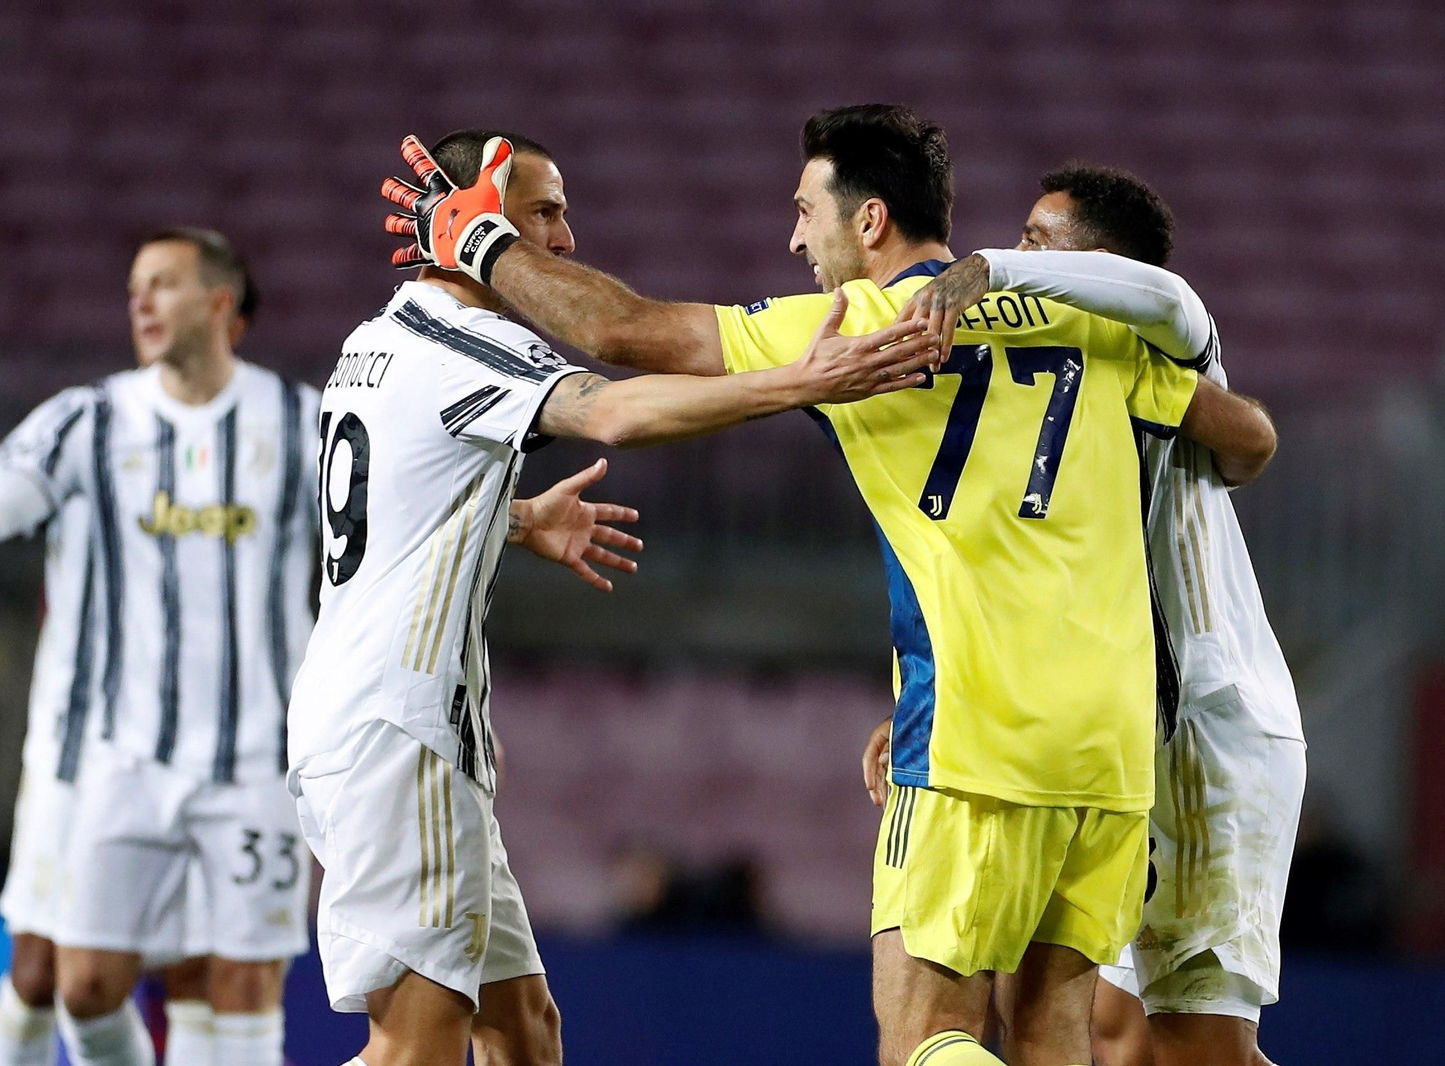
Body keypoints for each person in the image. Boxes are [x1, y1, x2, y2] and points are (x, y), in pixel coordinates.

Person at [379, 106, 1277, 1066]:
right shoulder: (1089, 326)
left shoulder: (857, 325)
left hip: (979, 733)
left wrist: (473, 240)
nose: (793, 236)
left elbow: (624, 331)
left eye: (808, 210)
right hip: (1114, 742)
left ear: (871, 222)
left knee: (923, 1037)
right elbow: (1248, 436)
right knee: (1051, 1031)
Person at [0, 228, 649, 1066]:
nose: (140, 303)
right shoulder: (87, 421)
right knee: (75, 982)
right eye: (133, 289)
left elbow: (392, 498)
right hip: (119, 756)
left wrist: (517, 522)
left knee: (235, 986)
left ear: (221, 303)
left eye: (161, 284)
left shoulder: (295, 421)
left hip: (252, 757)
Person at [289, 127, 938, 1066]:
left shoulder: (374, 343)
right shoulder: (465, 342)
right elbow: (615, 409)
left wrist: (508, 519)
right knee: (417, 1048)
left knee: (524, 1030)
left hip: (375, 722)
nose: (563, 240)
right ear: (478, 213)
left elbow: (382, 504)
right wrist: (797, 380)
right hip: (400, 733)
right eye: (544, 211)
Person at [894, 164, 1301, 1066]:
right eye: (1019, 239)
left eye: (1040, 238)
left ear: (1104, 265)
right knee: (1113, 1034)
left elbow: (1176, 312)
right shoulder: (1056, 386)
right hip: (1116, 739)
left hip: (1209, 722)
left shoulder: (1169, 344)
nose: (1019, 250)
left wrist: (988, 271)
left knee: (1201, 1044)